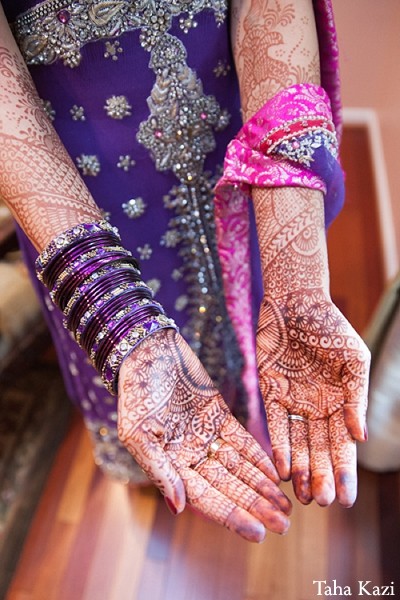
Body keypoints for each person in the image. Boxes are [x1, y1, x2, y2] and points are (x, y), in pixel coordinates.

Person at [0, 0, 370, 542]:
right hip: (74, 179)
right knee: (123, 359)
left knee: (257, 312)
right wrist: (118, 317)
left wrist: (297, 281)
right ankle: (157, 463)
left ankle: (244, 419)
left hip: (240, 132)